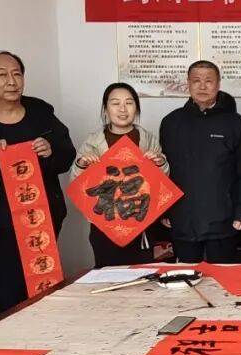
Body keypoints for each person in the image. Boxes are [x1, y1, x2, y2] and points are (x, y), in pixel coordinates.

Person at [0, 51, 75, 313]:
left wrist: (50, 151)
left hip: (43, 222)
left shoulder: (41, 112)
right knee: (7, 293)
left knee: (45, 289)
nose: (11, 81)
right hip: (0, 227)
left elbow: (67, 155)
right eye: (2, 75)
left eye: (17, 74)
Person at [159, 61, 241, 264]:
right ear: (188, 84)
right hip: (182, 217)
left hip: (224, 219)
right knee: (185, 277)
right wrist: (164, 210)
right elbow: (163, 171)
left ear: (218, 84)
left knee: (223, 278)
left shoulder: (236, 123)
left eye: (208, 81)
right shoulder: (171, 122)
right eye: (196, 81)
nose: (202, 86)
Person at [71, 83, 168, 267]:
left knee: (144, 275)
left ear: (136, 108)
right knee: (109, 274)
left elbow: (162, 183)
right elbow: (77, 185)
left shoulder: (148, 139)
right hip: (105, 223)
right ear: (105, 109)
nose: (123, 109)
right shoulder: (92, 142)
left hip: (141, 221)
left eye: (129, 103)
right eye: (115, 103)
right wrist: (81, 165)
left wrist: (161, 163)